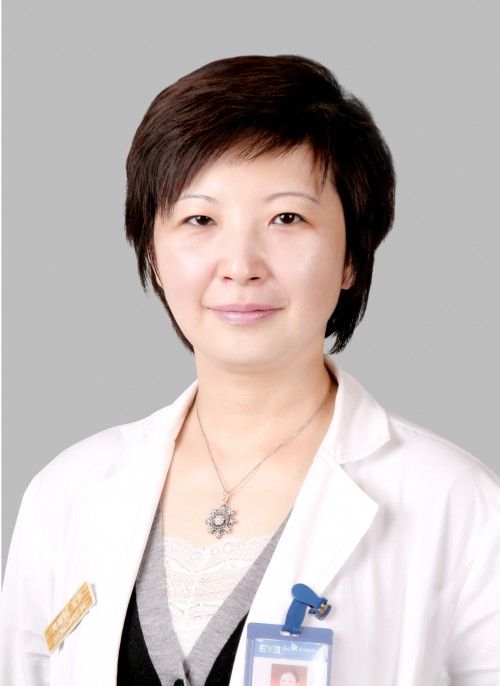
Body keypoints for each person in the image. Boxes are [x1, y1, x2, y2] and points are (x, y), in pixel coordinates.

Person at [0, 54, 499, 686]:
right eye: (200, 219)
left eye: (287, 218)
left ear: (352, 255)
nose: (240, 265)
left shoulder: (458, 506)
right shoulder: (67, 494)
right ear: (152, 253)